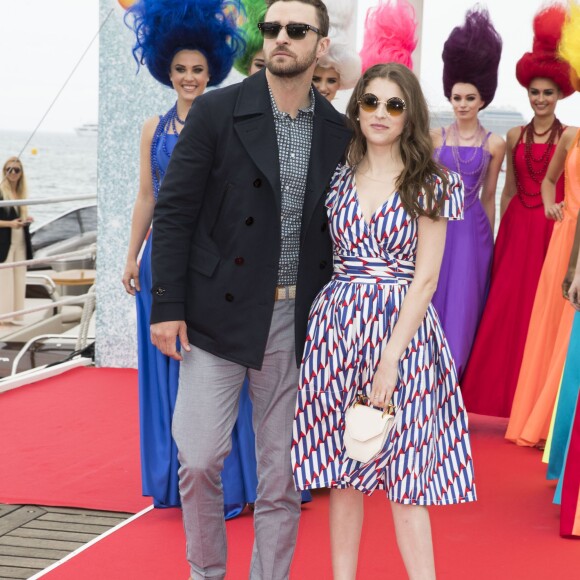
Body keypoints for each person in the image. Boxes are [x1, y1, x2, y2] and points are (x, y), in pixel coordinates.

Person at [149, 0, 352, 577]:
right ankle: (206, 571)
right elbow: (175, 211)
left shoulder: (338, 131)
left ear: (321, 44)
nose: (281, 38)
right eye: (272, 28)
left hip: (295, 320)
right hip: (217, 311)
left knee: (281, 474)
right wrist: (168, 304)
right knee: (198, 457)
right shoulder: (217, 111)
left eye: (296, 30)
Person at [291, 63, 476, 580]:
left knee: (405, 472)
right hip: (337, 327)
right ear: (357, 107)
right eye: (370, 102)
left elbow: (426, 280)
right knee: (342, 468)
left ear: (409, 114)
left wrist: (390, 358)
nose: (380, 114)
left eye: (394, 105)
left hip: (404, 334)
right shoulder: (335, 175)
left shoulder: (432, 182)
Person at [120, 0, 254, 515]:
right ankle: (173, 482)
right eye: (180, 69)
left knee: (215, 370)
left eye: (198, 69)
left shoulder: (227, 121)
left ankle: (228, 482)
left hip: (212, 265)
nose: (190, 77)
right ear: (165, 70)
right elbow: (146, 198)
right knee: (163, 372)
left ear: (213, 70)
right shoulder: (153, 127)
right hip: (160, 261)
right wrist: (131, 256)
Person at [461, 5, 574, 418]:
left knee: (539, 314)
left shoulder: (572, 137)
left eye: (548, 92)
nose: (541, 98)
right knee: (505, 311)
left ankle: (533, 406)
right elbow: (507, 191)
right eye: (535, 92)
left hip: (549, 231)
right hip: (515, 230)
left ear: (560, 94)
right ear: (526, 93)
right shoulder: (513, 135)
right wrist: (496, 236)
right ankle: (492, 400)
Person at [430, 8, 505, 379]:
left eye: (470, 98)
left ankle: (453, 379)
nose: (462, 104)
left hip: (473, 233)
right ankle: (426, 377)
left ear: (483, 99)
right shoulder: (435, 138)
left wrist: (487, 245)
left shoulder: (496, 143)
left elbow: (490, 196)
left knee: (464, 308)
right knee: (433, 300)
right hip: (438, 228)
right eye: (457, 97)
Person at [0, 157, 33, 325]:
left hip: (20, 239)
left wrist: (26, 219)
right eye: (9, 169)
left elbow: (18, 217)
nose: (12, 173)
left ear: (21, 173)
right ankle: (3, 317)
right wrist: (10, 224)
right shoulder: (0, 191)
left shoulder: (21, 193)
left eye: (16, 170)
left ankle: (16, 315)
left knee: (19, 277)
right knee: (4, 278)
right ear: (4, 171)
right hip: (5, 241)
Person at [311, 0, 360, 102]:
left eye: (331, 81)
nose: (323, 88)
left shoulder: (341, 118)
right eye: (315, 79)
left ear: (340, 83)